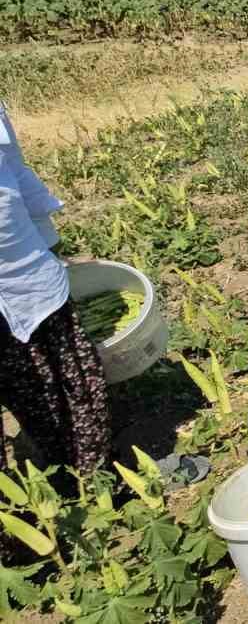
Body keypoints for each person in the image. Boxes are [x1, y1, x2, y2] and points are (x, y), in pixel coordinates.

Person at [0, 101, 110, 477]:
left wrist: (49, 244)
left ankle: (89, 483)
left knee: (70, 386)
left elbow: (12, 167)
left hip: (27, 278)